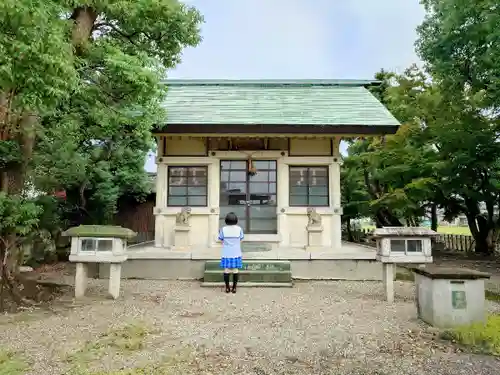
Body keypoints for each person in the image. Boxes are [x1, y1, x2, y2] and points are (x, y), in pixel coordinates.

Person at [218, 212, 244, 293]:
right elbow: (241, 239)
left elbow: (220, 239)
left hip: (226, 253)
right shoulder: (239, 229)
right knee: (235, 270)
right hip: (236, 253)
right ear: (236, 220)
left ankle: (227, 287)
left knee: (226, 270)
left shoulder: (223, 229)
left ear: (226, 220)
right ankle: (234, 288)